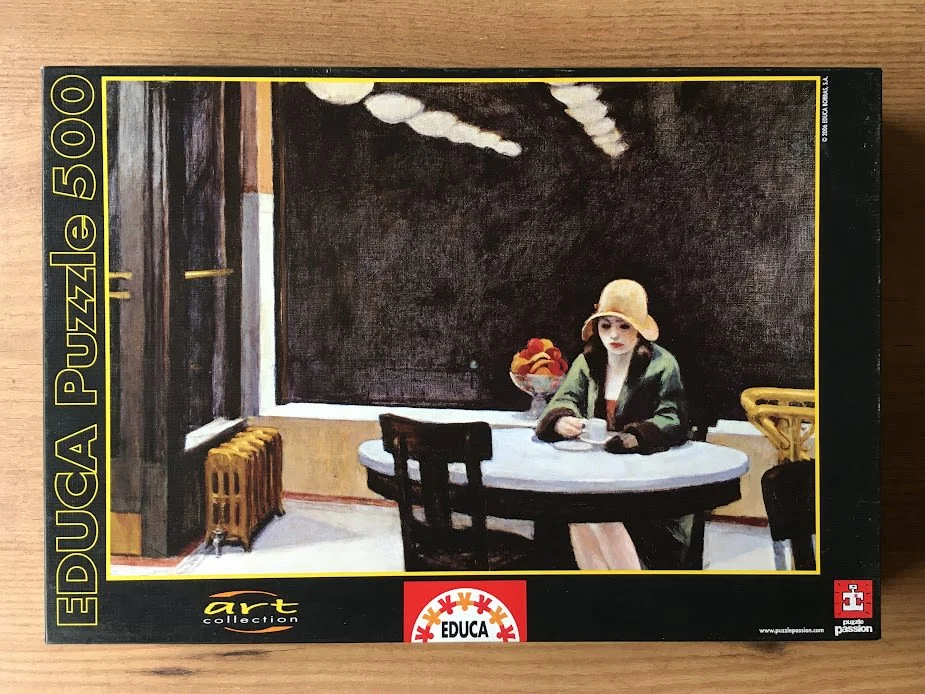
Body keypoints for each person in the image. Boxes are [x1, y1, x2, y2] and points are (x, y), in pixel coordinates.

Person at [535, 278, 693, 570]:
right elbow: (564, 399)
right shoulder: (588, 361)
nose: (614, 335)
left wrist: (637, 437)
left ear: (640, 329)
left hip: (647, 487)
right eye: (605, 325)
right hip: (593, 477)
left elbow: (674, 418)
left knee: (596, 515)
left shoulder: (662, 364)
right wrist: (561, 420)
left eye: (624, 326)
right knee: (582, 516)